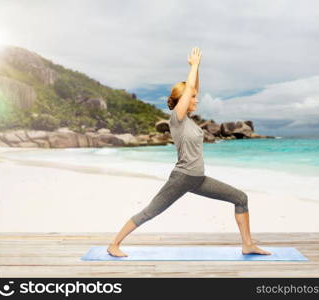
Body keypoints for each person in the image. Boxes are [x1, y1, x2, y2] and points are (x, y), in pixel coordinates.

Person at [107, 47, 271, 257]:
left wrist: (198, 68)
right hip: (182, 178)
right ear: (182, 100)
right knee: (150, 211)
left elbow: (194, 88)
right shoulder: (177, 118)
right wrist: (193, 67)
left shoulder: (190, 122)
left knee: (240, 198)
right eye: (192, 97)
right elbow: (190, 90)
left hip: (198, 178)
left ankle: (247, 244)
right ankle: (114, 244)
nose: (196, 99)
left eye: (195, 97)